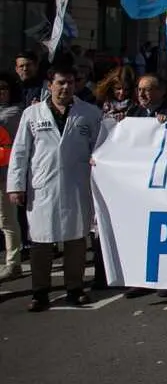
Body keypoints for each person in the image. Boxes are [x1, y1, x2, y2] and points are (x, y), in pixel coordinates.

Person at [5, 65, 103, 311]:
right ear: (50, 85)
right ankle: (40, 292)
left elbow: (101, 148)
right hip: (42, 186)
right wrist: (15, 186)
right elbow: (19, 153)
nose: (66, 87)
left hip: (76, 185)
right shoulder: (32, 114)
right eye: (60, 82)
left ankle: (75, 288)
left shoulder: (89, 113)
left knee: (76, 240)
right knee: (41, 242)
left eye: (70, 82)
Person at [0, 72, 23, 281]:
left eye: (3, 88)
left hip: (5, 173)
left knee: (7, 220)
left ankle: (13, 262)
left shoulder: (13, 113)